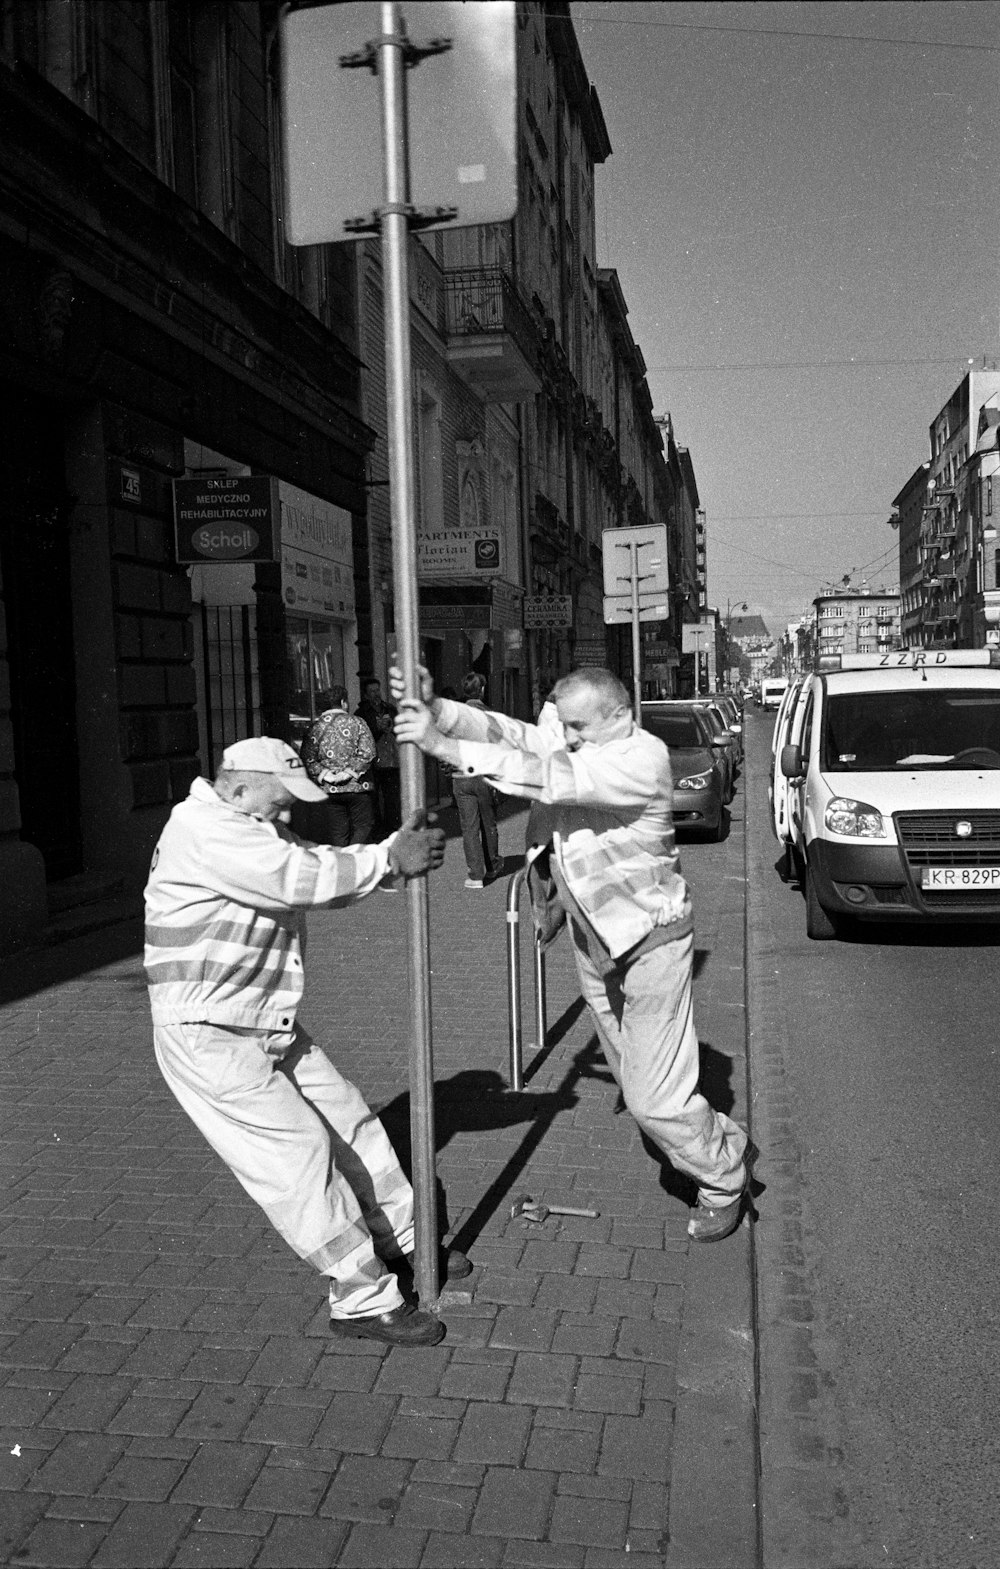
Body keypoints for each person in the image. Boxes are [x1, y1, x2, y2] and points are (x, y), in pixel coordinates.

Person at [394, 668, 753, 1242]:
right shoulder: (583, 738)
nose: (571, 736)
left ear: (620, 714)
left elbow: (546, 775)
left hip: (651, 943)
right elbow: (514, 735)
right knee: (633, 1075)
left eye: (580, 725)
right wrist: (440, 709)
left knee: (652, 1099)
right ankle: (717, 1142)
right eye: (566, 725)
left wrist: (438, 746)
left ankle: (725, 1178)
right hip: (597, 945)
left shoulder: (641, 759)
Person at [143, 735, 468, 1348]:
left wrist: (387, 859)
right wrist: (391, 859)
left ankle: (406, 1243)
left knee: (350, 1122)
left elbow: (320, 870)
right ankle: (360, 1297)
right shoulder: (205, 829)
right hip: (208, 1033)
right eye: (281, 801)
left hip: (264, 1021)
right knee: (298, 1156)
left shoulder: (248, 822)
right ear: (237, 787)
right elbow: (297, 878)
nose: (288, 814)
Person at [298, 687, 376, 845]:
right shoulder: (358, 722)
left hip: (329, 790)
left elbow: (307, 757)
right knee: (363, 826)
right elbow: (368, 752)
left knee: (337, 832)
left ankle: (342, 864)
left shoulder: (315, 727)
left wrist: (327, 775)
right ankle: (356, 859)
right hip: (358, 787)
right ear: (343, 703)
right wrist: (348, 773)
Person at [451, 672, 502, 889]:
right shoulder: (490, 714)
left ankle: (475, 875)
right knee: (488, 822)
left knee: (469, 827)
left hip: (461, 776)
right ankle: (493, 866)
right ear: (481, 690)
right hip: (483, 775)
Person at [357, 677, 399, 835]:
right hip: (373, 762)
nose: (376, 694)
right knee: (373, 799)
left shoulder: (389, 709)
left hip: (391, 759)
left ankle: (392, 829)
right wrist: (377, 728)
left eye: (378, 690)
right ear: (366, 695)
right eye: (372, 691)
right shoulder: (361, 713)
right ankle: (378, 831)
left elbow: (399, 729)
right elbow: (362, 737)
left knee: (392, 798)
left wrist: (392, 727)